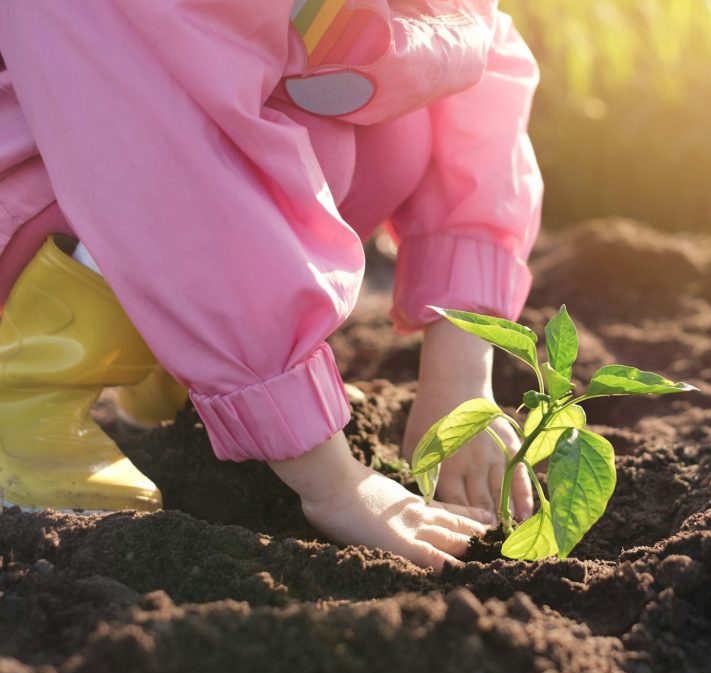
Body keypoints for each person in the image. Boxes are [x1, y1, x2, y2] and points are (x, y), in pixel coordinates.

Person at [0, 0, 542, 570]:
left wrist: (458, 379)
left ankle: (183, 372)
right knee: (303, 142)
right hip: (60, 168)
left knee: (392, 121)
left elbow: (472, 68)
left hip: (163, 169)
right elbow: (167, 160)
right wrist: (336, 483)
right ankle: (26, 394)